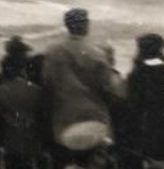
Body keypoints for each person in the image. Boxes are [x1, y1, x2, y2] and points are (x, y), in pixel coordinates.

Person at [43, 8, 125, 146]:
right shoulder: (97, 53)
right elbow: (109, 88)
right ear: (86, 25)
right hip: (95, 118)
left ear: (67, 25)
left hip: (64, 120)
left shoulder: (53, 53)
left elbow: (47, 82)